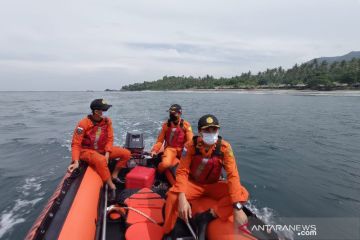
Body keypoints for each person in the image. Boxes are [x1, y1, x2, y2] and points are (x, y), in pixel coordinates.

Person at [163, 114, 249, 239]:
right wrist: (182, 196)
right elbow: (182, 171)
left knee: (243, 193)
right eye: (206, 130)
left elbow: (233, 176)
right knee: (172, 196)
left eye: (214, 129)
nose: (211, 133)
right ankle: (167, 231)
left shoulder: (225, 148)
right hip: (194, 185)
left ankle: (210, 215)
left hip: (214, 185)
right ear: (199, 132)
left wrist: (237, 207)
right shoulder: (190, 146)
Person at [67, 99, 131, 193]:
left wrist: (108, 153)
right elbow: (76, 144)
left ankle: (114, 175)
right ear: (96, 112)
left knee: (126, 153)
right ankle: (111, 185)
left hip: (102, 149)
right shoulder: (83, 124)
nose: (105, 112)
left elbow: (110, 138)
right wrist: (76, 161)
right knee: (101, 160)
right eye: (103, 110)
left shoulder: (107, 122)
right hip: (86, 151)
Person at [150, 104, 193, 183]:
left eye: (174, 113)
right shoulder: (166, 125)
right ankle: (158, 172)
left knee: (191, 166)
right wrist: (154, 150)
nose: (172, 115)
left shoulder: (186, 125)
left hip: (183, 150)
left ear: (180, 113)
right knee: (165, 164)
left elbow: (190, 141)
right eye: (170, 113)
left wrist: (188, 153)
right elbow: (160, 141)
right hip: (170, 149)